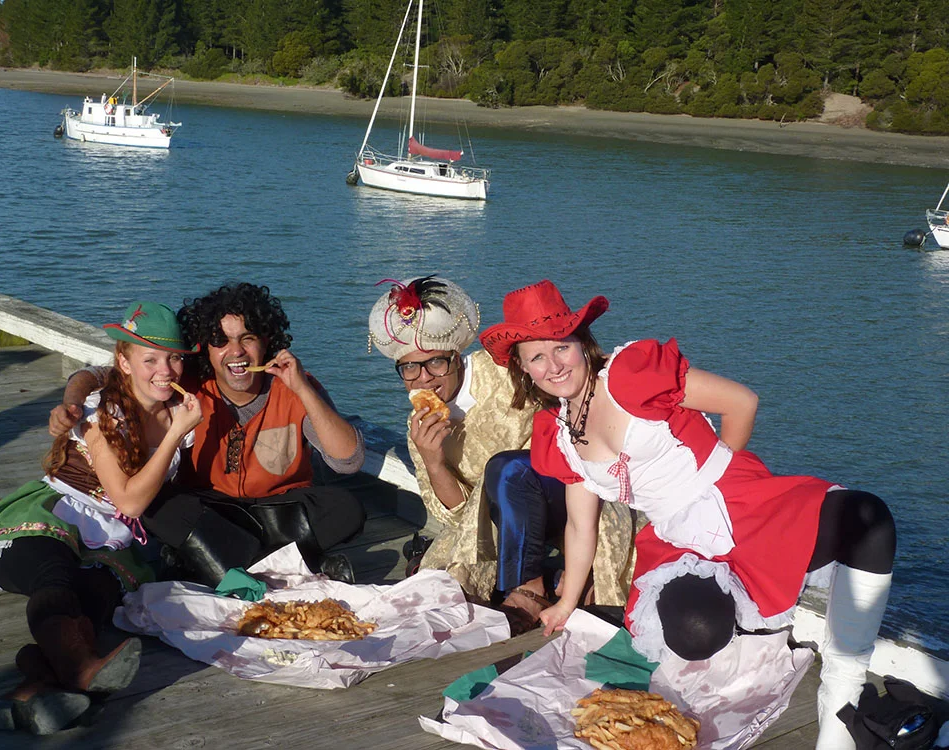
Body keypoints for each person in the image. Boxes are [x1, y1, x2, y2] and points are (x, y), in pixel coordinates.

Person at [479, 280, 896, 750]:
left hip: (743, 500)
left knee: (869, 517)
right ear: (521, 367)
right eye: (537, 356)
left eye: (563, 347)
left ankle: (840, 701)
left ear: (582, 344)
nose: (554, 365)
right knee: (696, 634)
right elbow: (580, 525)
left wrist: (722, 472)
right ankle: (762, 618)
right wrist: (567, 601)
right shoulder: (556, 437)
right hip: (677, 539)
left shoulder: (631, 374)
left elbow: (743, 403)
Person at [0, 301, 203, 735]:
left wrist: (179, 430)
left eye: (175, 358)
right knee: (55, 574)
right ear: (124, 363)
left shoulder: (179, 413)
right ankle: (84, 669)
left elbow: (127, 513)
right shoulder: (99, 411)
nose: (166, 370)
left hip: (113, 540)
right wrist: (175, 436)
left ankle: (37, 679)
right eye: (151, 359)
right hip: (55, 514)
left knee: (95, 595)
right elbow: (127, 502)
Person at [50, 283, 366, 587]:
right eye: (221, 341)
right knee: (160, 506)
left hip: (276, 511)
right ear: (206, 349)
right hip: (209, 509)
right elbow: (99, 374)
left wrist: (302, 389)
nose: (236, 352)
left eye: (248, 338)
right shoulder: (182, 382)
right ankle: (288, 562)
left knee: (346, 509)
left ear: (267, 341)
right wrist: (73, 403)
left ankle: (212, 560)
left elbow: (347, 461)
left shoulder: (295, 385)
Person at [368, 276, 637, 633]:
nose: (424, 380)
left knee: (508, 467)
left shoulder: (504, 371)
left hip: (572, 493)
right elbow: (461, 519)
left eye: (435, 363)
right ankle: (541, 576)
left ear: (456, 356)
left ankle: (528, 588)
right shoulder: (419, 425)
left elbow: (574, 382)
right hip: (507, 523)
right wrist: (433, 460)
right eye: (409, 369)